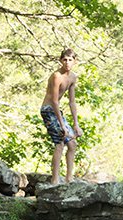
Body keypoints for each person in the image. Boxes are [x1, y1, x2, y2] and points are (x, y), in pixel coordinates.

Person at [40, 48, 83, 185]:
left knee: (72, 143)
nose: (67, 63)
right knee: (59, 142)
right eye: (65, 59)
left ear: (75, 61)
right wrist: (63, 125)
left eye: (70, 60)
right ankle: (55, 180)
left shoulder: (72, 77)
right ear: (60, 61)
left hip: (57, 111)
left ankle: (69, 179)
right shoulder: (56, 76)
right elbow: (54, 101)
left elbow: (72, 101)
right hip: (48, 109)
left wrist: (76, 124)